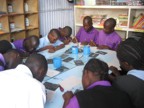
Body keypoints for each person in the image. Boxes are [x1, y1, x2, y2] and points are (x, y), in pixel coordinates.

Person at [63, 58, 133, 108]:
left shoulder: (78, 99)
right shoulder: (124, 96)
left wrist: (67, 99)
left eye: (83, 74)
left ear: (87, 73)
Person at [109, 38, 144, 108]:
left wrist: (117, 80)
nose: (119, 63)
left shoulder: (121, 83)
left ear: (126, 64)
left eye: (119, 61)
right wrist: (119, 76)